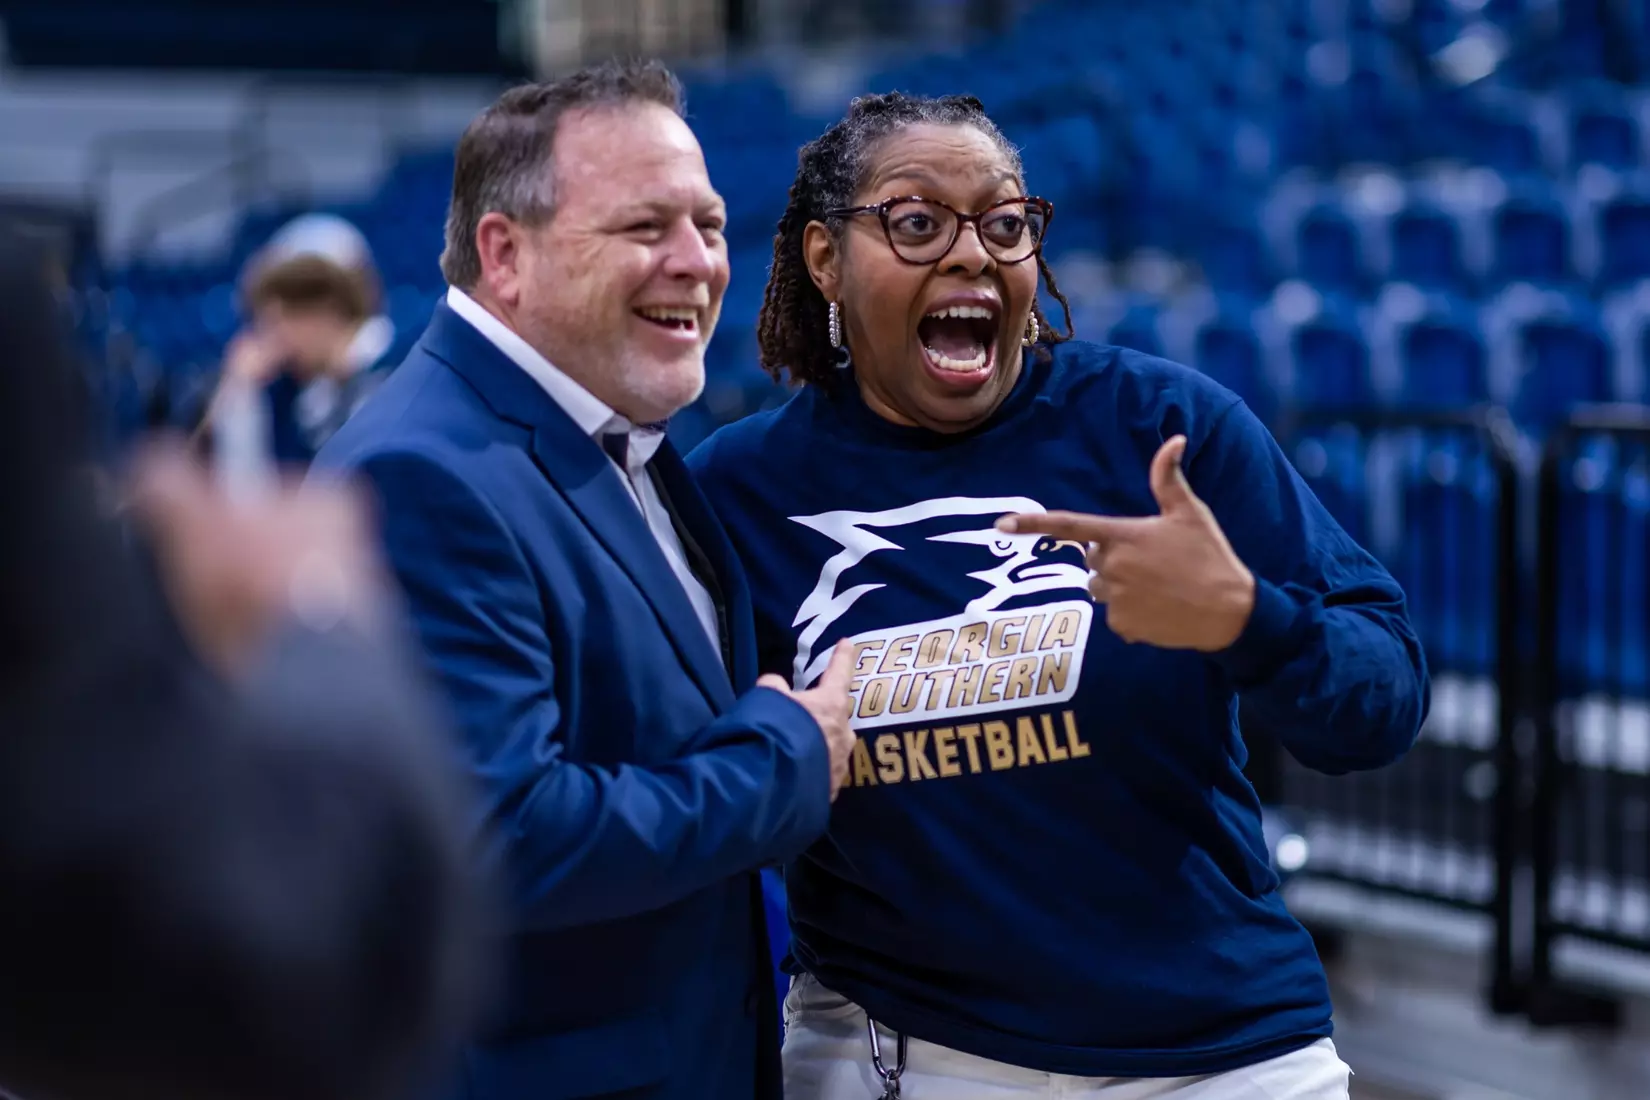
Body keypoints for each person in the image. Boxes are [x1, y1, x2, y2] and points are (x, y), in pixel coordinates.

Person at [685, 92, 1431, 1100]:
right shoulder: (741, 491)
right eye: (915, 223)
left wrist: (1255, 623)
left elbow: (1381, 703)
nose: (969, 255)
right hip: (909, 1051)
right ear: (825, 257)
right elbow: (690, 784)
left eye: (1004, 223)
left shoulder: (1162, 427)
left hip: (1221, 1053)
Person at [312, 59, 856, 1100]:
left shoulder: (614, 433)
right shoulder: (423, 474)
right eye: (646, 227)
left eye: (709, 222)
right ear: (505, 255)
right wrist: (785, 759)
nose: (700, 262)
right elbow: (502, 837)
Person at [0, 220, 491, 1100]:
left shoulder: (390, 389)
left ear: (322, 306)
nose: (269, 332)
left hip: (382, 639)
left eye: (284, 310)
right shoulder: (272, 391)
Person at [197, 214, 396, 488]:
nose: (274, 341)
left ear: (329, 306)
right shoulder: (295, 396)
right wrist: (240, 395)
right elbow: (251, 502)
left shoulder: (402, 365)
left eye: (280, 321)